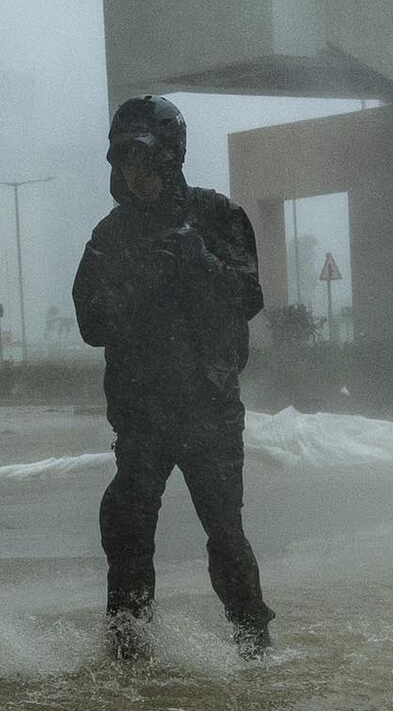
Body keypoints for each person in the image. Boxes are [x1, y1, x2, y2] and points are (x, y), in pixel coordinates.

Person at [74, 95, 274, 660]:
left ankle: (254, 646)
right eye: (120, 163)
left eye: (139, 161)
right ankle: (129, 651)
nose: (129, 175)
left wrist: (199, 260)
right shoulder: (111, 236)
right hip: (142, 413)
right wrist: (142, 277)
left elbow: (248, 297)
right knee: (126, 530)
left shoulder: (216, 216)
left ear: (169, 156)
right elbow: (91, 322)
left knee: (226, 536)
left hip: (209, 409)